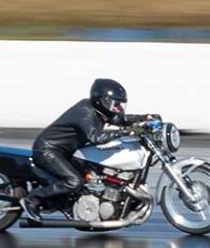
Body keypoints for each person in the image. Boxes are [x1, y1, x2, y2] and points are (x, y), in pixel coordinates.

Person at [20, 78, 156, 220]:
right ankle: (32, 199)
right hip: (49, 150)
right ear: (103, 101)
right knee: (74, 182)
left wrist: (145, 118)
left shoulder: (100, 111)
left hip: (68, 151)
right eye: (116, 104)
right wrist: (127, 132)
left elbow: (120, 120)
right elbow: (95, 137)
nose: (119, 108)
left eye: (120, 104)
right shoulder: (86, 112)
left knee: (95, 176)